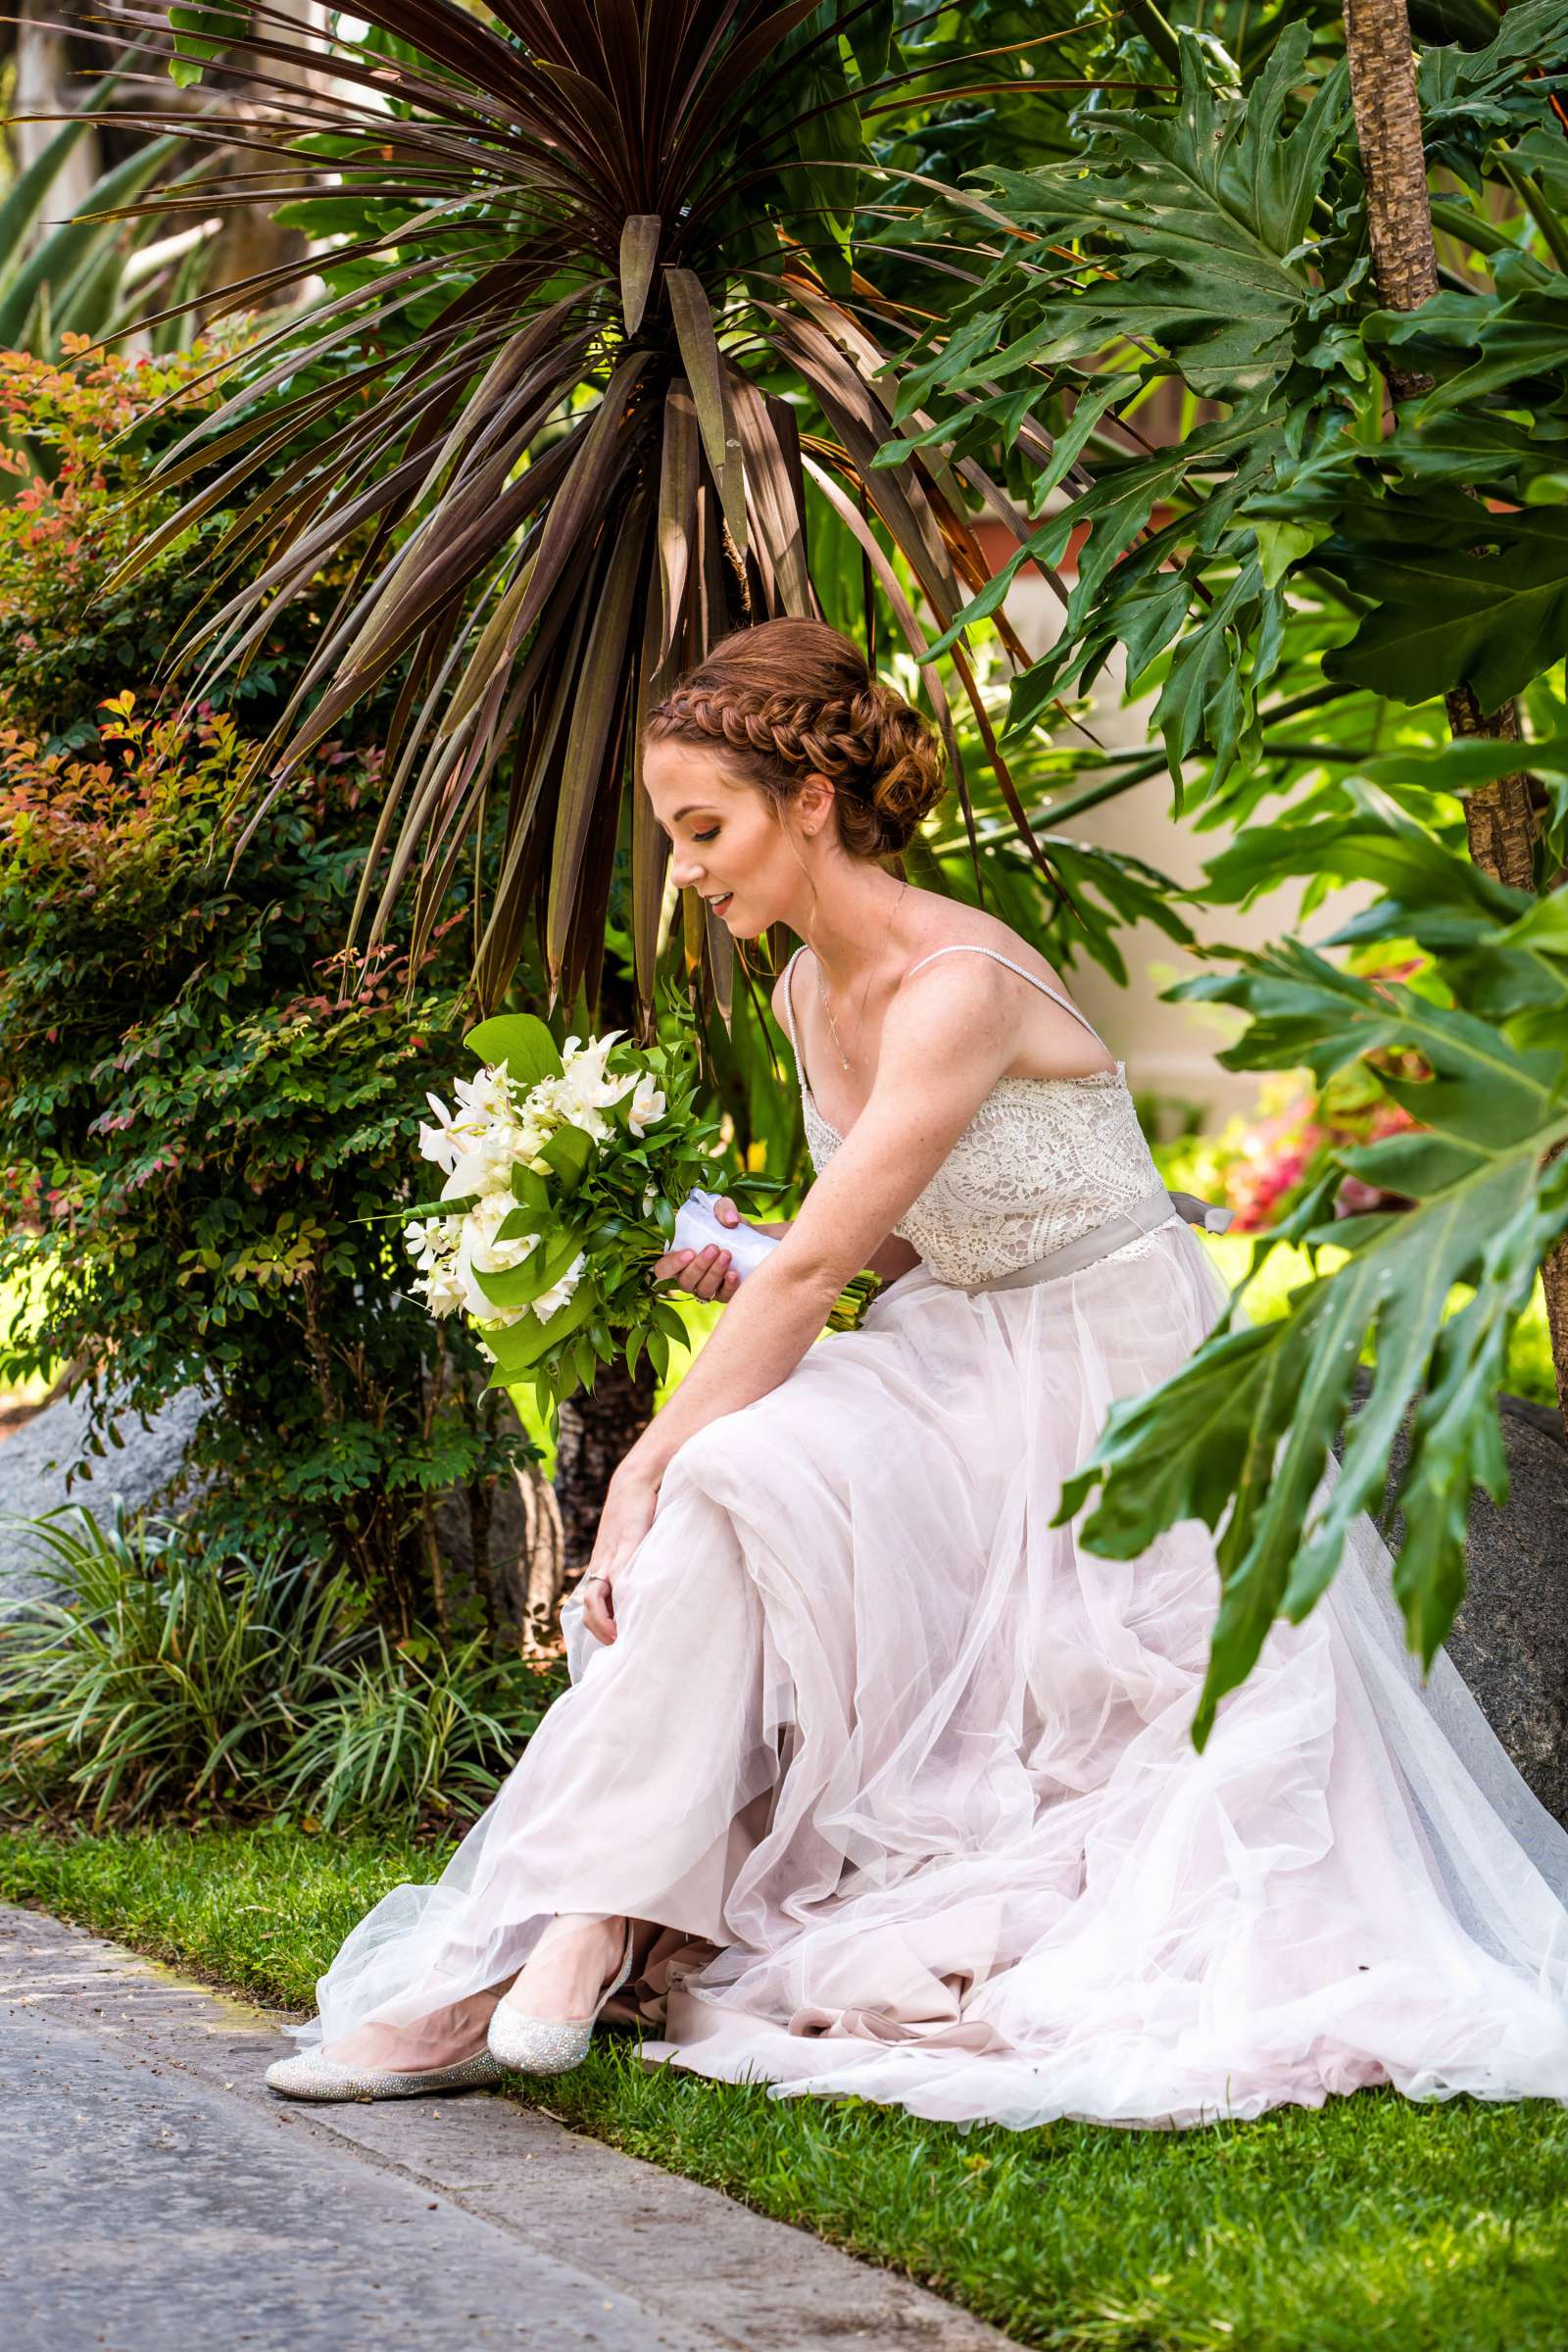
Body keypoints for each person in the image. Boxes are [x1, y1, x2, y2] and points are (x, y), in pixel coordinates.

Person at [266, 616, 1568, 2127]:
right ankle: (572, 1925)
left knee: (699, 1473)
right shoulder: (802, 992)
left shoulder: (959, 981)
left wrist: (636, 1461)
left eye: (707, 829)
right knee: (745, 1483)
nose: (687, 869)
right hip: (955, 1346)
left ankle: (570, 1938)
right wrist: (750, 1271)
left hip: (1115, 1376)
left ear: (810, 802)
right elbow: (865, 1252)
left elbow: (827, 1271)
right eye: (673, 836)